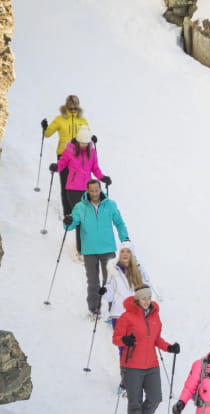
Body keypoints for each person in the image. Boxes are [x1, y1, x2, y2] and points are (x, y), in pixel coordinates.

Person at [113, 285, 180, 414]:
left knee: (156, 398)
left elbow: (156, 340)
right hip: (132, 365)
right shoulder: (127, 317)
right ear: (137, 298)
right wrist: (125, 340)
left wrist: (169, 347)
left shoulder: (155, 317)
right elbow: (116, 338)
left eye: (149, 298)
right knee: (134, 402)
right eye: (143, 298)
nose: (147, 301)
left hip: (151, 365)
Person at [64, 179, 127, 317]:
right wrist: (67, 221)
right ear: (87, 190)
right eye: (91, 190)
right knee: (93, 282)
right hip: (89, 250)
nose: (94, 193)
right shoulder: (80, 207)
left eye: (96, 190)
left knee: (110, 281)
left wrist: (125, 239)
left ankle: (113, 310)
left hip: (107, 248)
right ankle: (94, 309)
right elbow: (71, 224)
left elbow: (119, 223)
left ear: (100, 189)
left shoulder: (110, 205)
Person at [50, 125, 111, 254]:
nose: (83, 145)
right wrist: (56, 167)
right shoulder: (69, 150)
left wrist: (103, 178)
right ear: (77, 140)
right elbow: (62, 164)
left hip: (87, 190)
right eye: (81, 143)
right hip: (72, 189)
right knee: (81, 218)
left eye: (86, 143)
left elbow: (95, 169)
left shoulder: (92, 151)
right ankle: (81, 249)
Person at [41, 95, 94, 214]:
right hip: (63, 155)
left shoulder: (82, 121)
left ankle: (80, 212)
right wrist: (45, 128)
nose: (73, 110)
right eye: (71, 108)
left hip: (79, 156)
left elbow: (87, 135)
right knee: (65, 185)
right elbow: (48, 134)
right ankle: (68, 214)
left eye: (75, 108)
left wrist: (92, 138)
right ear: (66, 107)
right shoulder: (60, 119)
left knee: (78, 186)